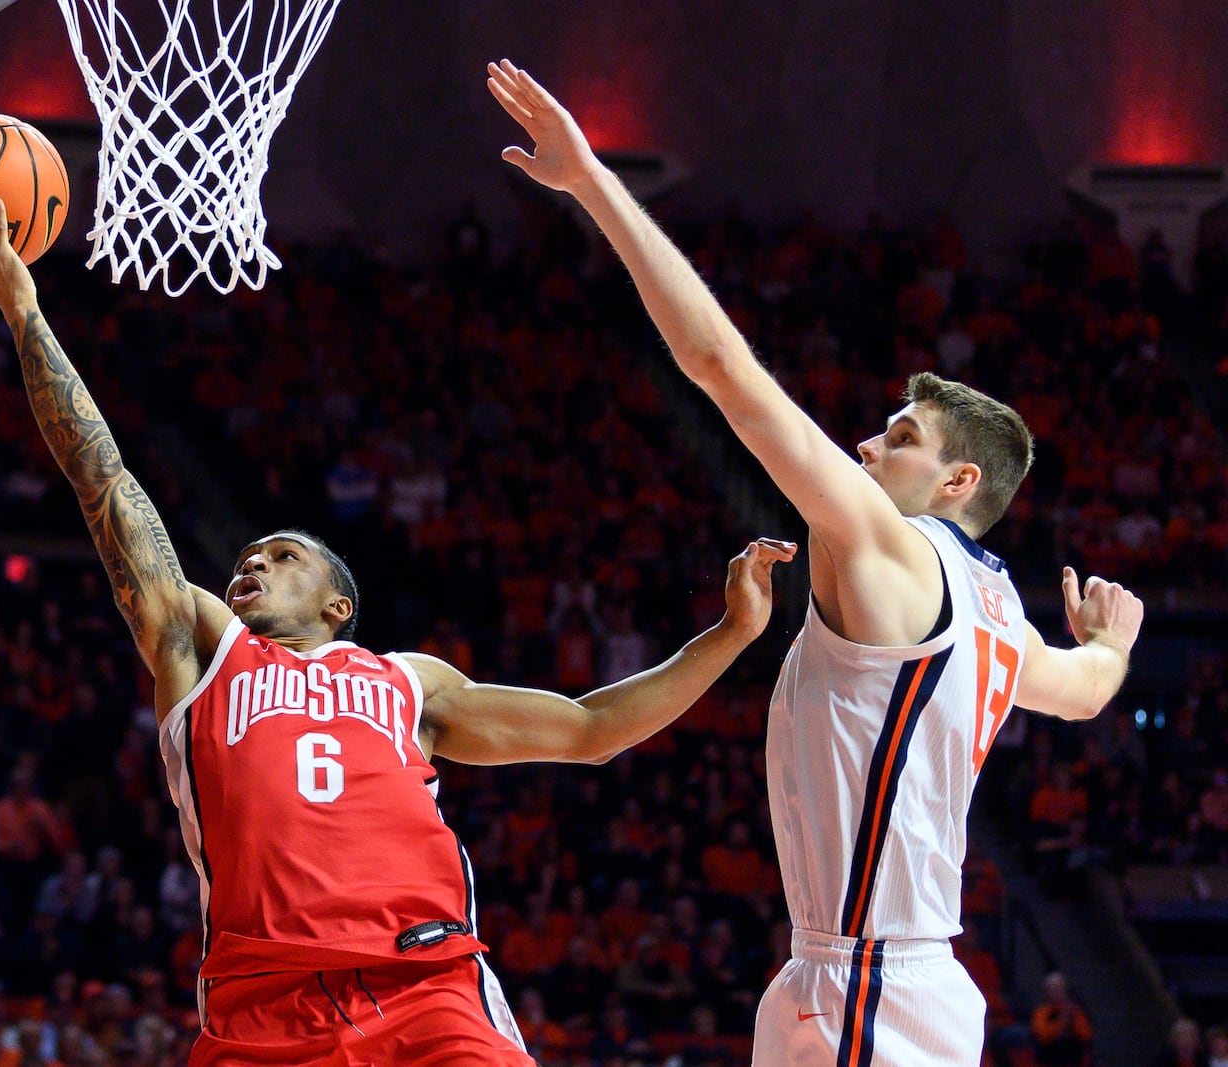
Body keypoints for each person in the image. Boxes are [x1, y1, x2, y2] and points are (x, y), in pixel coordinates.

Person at [0, 195, 795, 1066]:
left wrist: (729, 633)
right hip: (259, 1005)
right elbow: (101, 478)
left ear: (339, 604)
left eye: (281, 556)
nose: (250, 566)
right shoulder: (204, 649)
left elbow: (592, 729)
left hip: (425, 987)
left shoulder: (409, 681)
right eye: (246, 560)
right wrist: (25, 309)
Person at [486, 58, 1145, 1066]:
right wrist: (1110, 645)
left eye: (898, 436)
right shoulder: (997, 606)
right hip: (880, 977)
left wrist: (593, 189)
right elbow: (1085, 690)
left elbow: (721, 369)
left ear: (957, 480)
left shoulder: (889, 542)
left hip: (864, 981)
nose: (867, 447)